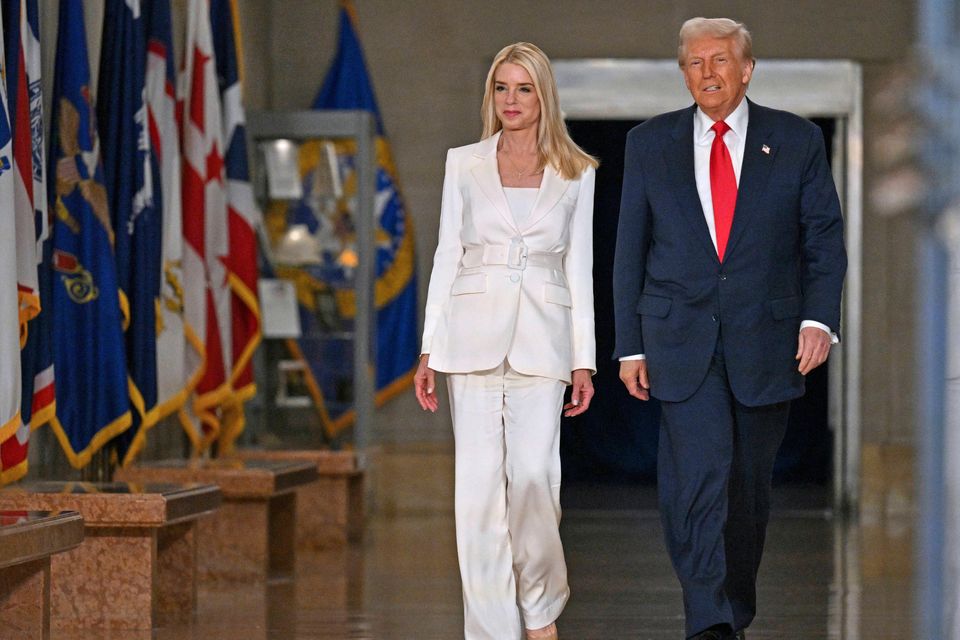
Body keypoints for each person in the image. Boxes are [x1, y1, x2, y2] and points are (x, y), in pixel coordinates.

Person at [613, 17, 847, 640]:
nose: (706, 73)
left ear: (747, 68)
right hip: (677, 339)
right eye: (693, 62)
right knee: (698, 476)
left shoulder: (795, 141)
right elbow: (628, 250)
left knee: (746, 491)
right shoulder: (649, 143)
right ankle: (710, 621)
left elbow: (823, 238)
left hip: (766, 340)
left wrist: (819, 317)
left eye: (719, 60)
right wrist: (628, 345)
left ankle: (732, 607)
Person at [414, 42, 597, 640]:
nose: (511, 100)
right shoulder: (462, 162)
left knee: (536, 480)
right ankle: (492, 632)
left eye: (523, 88)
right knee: (477, 501)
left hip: (543, 345)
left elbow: (580, 268)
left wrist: (583, 360)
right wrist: (428, 348)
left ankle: (540, 611)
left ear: (543, 95)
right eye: (502, 88)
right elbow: (446, 255)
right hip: (469, 342)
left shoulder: (577, 171)